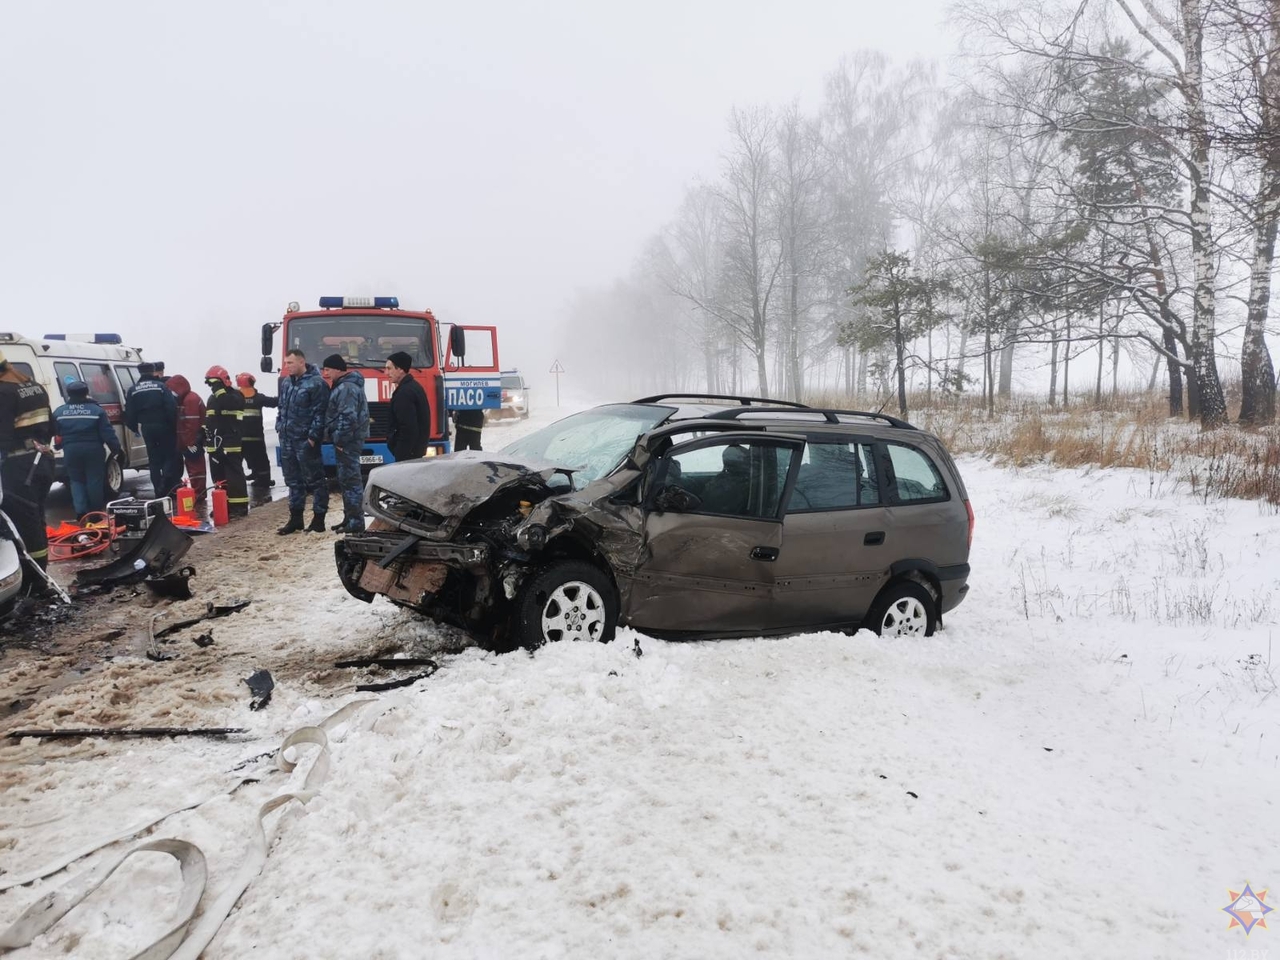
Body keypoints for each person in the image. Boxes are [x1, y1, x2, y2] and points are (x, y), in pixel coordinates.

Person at [0, 349, 56, 594]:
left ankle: (35, 581)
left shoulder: (3, 392)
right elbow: (51, 425)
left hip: (20, 467)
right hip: (41, 461)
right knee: (36, 519)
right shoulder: (33, 386)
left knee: (24, 524)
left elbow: (2, 436)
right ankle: (40, 575)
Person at [52, 379, 122, 521]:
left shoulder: (59, 412)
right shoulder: (96, 411)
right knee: (94, 480)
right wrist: (116, 448)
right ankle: (95, 513)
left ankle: (81, 512)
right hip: (93, 449)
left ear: (69, 394)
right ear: (86, 393)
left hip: (71, 450)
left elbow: (55, 432)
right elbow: (107, 432)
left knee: (76, 481)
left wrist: (59, 446)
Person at [275, 349, 329, 534]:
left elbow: (320, 413)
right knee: (293, 481)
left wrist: (313, 438)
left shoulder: (316, 384)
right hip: (287, 439)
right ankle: (296, 519)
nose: (287, 366)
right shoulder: (286, 384)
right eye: (286, 363)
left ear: (301, 362)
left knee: (315, 480)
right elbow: (281, 407)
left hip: (305, 441)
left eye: (290, 363)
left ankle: (318, 518)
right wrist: (279, 426)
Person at [321, 355, 370, 533]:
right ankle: (349, 518)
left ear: (337, 369)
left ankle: (356, 523)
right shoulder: (344, 386)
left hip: (347, 442)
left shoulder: (346, 388)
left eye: (327, 369)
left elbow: (348, 417)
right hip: (346, 441)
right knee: (345, 481)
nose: (325, 373)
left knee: (351, 482)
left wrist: (340, 440)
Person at [124, 361, 179, 497]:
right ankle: (166, 485)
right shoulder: (161, 387)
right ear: (153, 371)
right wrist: (173, 426)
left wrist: (134, 428)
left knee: (153, 460)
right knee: (168, 456)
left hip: (147, 428)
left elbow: (129, 413)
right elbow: (171, 407)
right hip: (164, 426)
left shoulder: (133, 390)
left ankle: (158, 491)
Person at [203, 366, 249, 519]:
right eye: (210, 384)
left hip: (231, 443)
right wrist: (202, 436)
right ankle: (223, 505)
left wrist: (219, 390)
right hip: (215, 444)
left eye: (215, 383)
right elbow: (209, 419)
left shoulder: (235, 396)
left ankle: (239, 506)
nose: (213, 387)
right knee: (218, 476)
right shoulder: (212, 398)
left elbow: (228, 404)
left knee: (233, 475)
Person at [169, 375, 207, 510]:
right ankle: (198, 491)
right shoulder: (185, 399)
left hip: (192, 441)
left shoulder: (190, 400)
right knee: (193, 466)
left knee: (196, 467)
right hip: (188, 441)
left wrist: (190, 443)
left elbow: (191, 424)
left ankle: (199, 492)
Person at [385, 351, 430, 462]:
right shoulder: (414, 387)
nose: (386, 373)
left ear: (400, 369)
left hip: (407, 454)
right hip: (414, 451)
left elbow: (408, 427)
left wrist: (401, 452)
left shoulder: (404, 393)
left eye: (389, 368)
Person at [236, 372, 278, 488]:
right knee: (261, 459)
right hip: (256, 436)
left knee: (242, 459)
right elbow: (274, 402)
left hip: (240, 437)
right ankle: (263, 479)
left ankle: (246, 477)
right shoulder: (258, 397)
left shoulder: (235, 398)